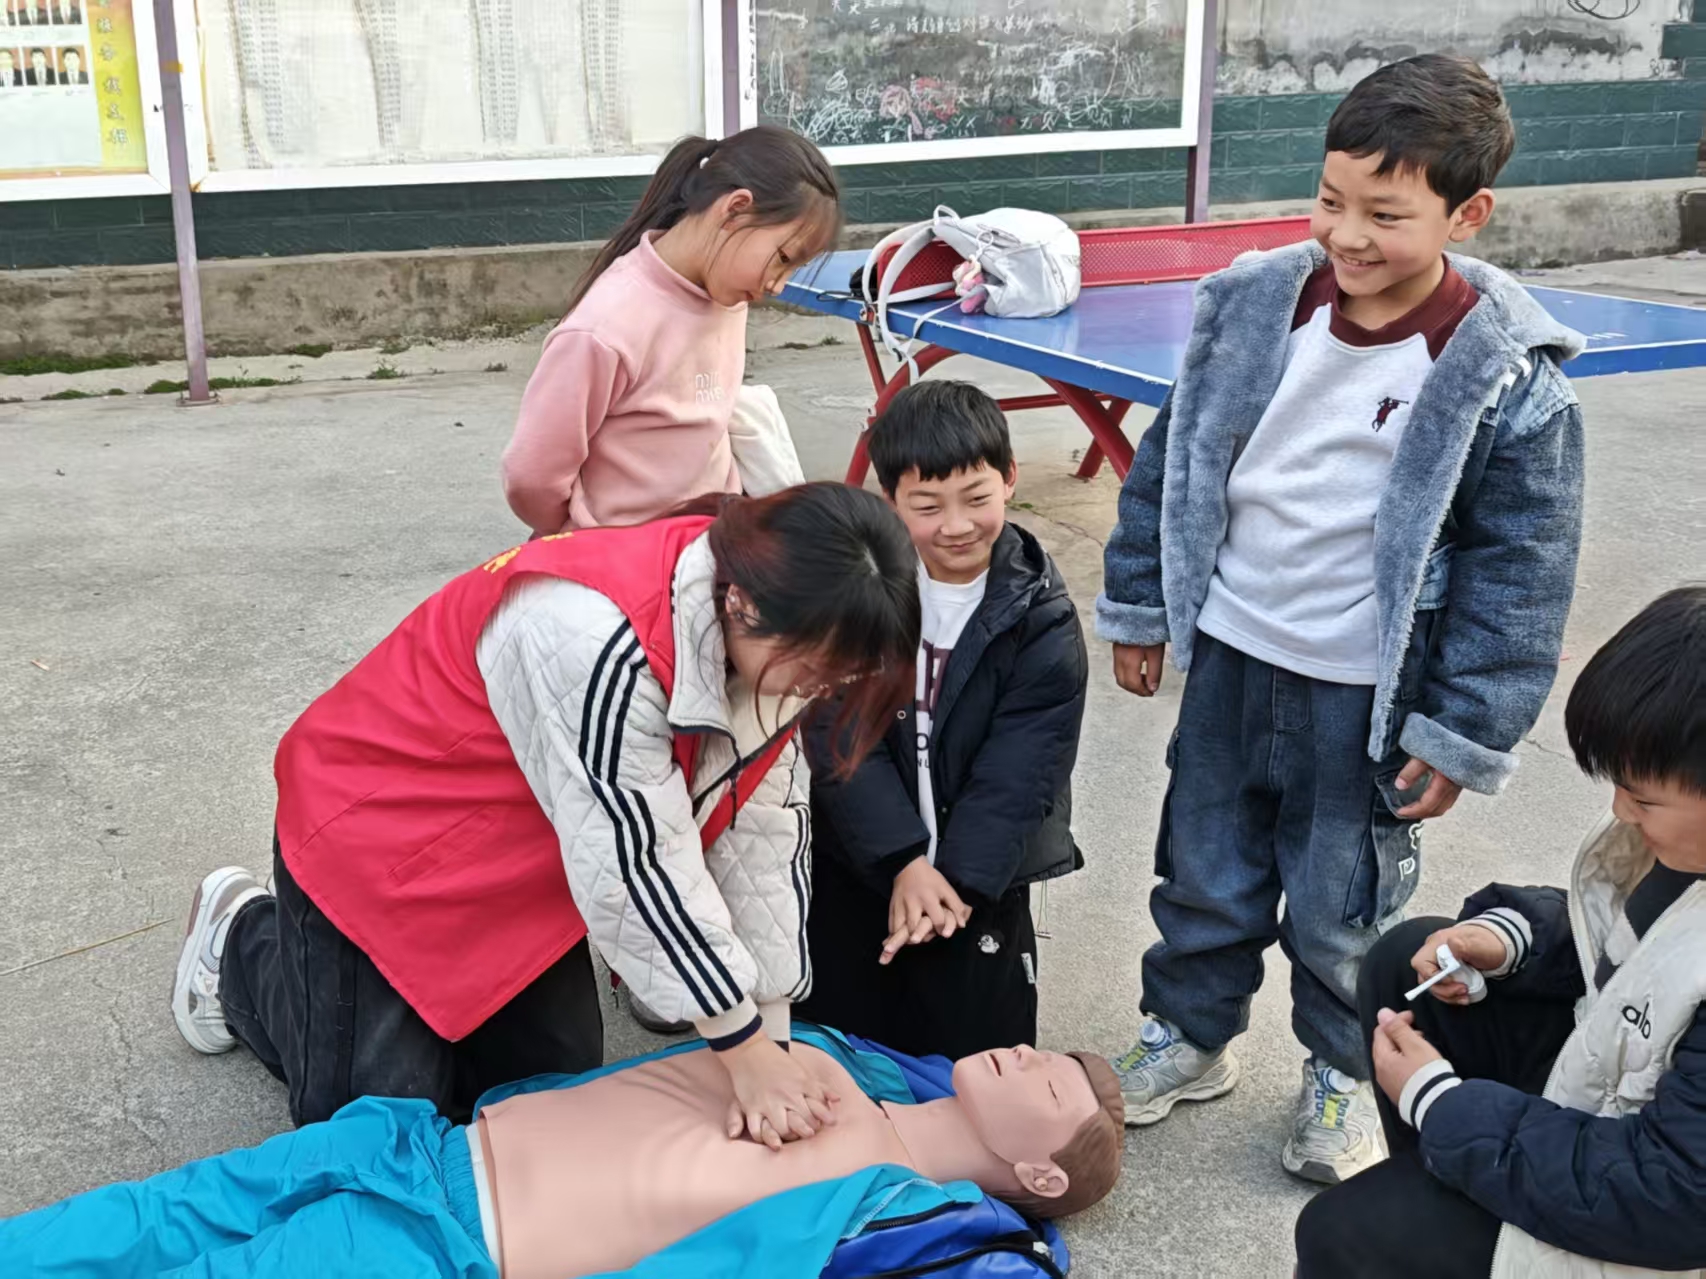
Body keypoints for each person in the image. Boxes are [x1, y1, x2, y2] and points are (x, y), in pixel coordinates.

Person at [1096, 52, 1586, 1185]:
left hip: (1367, 695)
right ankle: (1189, 1032)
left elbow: (1521, 575)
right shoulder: (1254, 305)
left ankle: (1339, 1065)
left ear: (1467, 214)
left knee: (1342, 904)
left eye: (1385, 214)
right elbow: (1173, 461)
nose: (1347, 235)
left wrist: (1461, 731)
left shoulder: (1504, 373)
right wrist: (1141, 601)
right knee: (1202, 872)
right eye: (1330, 200)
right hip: (1231, 654)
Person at [170, 484, 920, 1149]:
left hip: (529, 848)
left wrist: (771, 1037)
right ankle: (240, 943)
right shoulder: (593, 632)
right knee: (380, 1126)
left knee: (546, 1096)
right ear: (742, 605)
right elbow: (637, 865)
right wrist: (741, 1047)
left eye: (847, 674)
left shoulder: (783, 637)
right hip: (381, 830)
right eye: (821, 668)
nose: (826, 689)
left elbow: (763, 840)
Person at [1295, 586, 1706, 1278]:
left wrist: (1439, 1103)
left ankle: (1435, 1221)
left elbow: (1674, 1194)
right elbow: (1629, 944)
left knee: (1345, 1233)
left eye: (1642, 797)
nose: (1620, 811)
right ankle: (1443, 1200)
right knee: (1405, 960)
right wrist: (1513, 939)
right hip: (1615, 1100)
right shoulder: (1685, 845)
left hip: (1656, 1213)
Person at [1, 1030, 1126, 1279]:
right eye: (1046, 1052)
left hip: (443, 1249)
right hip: (419, 1141)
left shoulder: (901, 1223)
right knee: (144, 1216)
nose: (1028, 1055)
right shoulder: (850, 1060)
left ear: (1038, 1174)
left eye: (1048, 1085)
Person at [798, 382, 1088, 1059]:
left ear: (1010, 478)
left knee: (977, 1065)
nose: (955, 525)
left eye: (976, 498)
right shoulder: (856, 594)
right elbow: (840, 731)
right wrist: (902, 860)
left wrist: (953, 885)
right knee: (841, 1051)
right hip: (864, 866)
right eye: (927, 506)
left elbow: (1020, 775)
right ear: (890, 499)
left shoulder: (1042, 617)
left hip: (978, 883)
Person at [501, 125, 840, 535]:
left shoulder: (726, 296)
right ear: (735, 210)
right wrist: (586, 538)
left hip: (712, 540)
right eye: (783, 258)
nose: (779, 286)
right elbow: (531, 477)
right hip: (627, 558)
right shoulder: (604, 328)